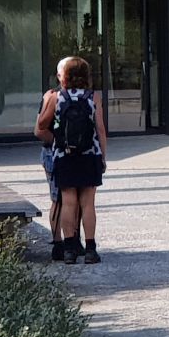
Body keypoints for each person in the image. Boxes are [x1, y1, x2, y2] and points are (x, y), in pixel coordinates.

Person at [35, 56, 108, 264]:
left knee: (68, 202)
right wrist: (103, 157)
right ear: (87, 76)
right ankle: (91, 249)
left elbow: (41, 125)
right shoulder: (93, 98)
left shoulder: (58, 97)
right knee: (88, 204)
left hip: (64, 156)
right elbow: (100, 130)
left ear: (64, 76)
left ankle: (68, 250)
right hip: (89, 155)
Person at [38, 122, 65, 261]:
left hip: (71, 153)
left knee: (71, 199)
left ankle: (71, 241)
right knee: (58, 200)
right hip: (52, 153)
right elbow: (39, 130)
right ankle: (58, 242)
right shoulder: (51, 99)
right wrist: (60, 140)